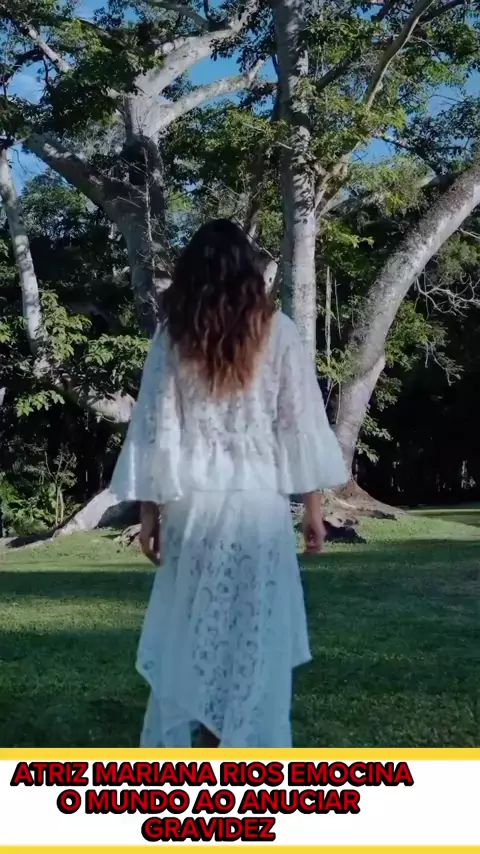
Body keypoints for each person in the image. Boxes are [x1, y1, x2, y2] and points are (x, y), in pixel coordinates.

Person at [110, 219, 348, 748]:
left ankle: (205, 740)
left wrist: (150, 513)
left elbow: (158, 429)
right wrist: (312, 508)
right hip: (260, 508)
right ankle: (242, 747)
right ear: (249, 272)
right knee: (254, 633)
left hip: (193, 508)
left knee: (194, 631)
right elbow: (299, 424)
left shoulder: (173, 336)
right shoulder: (279, 332)